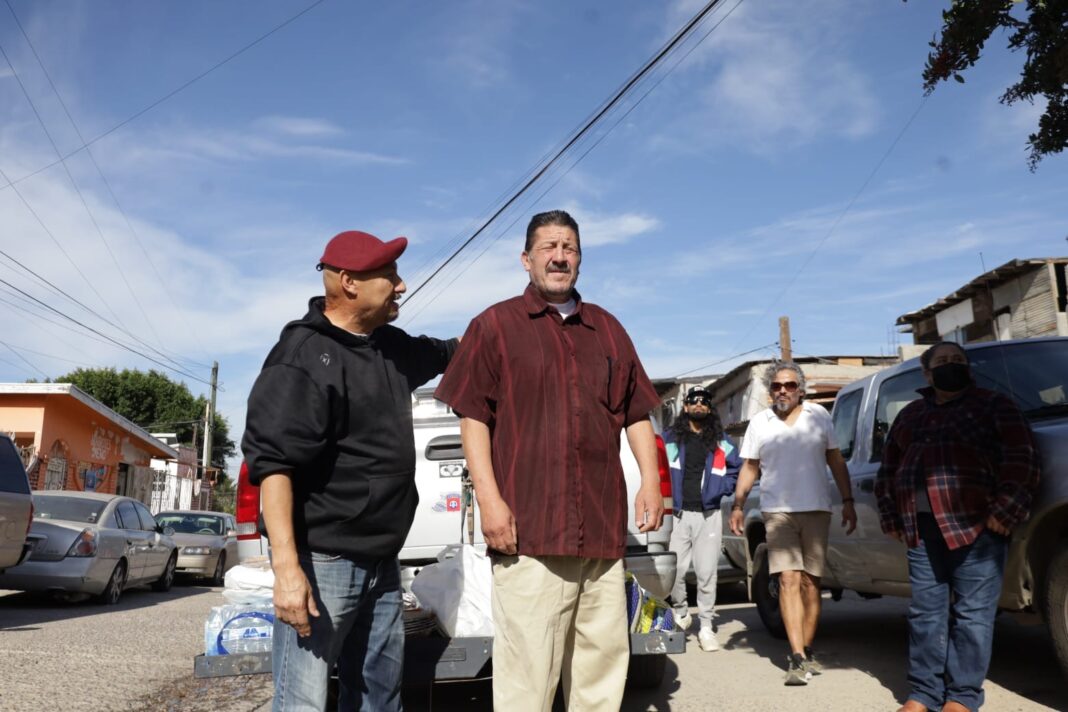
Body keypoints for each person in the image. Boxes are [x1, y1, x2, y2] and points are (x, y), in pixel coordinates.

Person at [434, 209, 664, 712]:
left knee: (601, 675)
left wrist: (651, 482)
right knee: (527, 681)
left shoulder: (608, 330)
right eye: (549, 247)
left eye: (570, 248)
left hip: (601, 537)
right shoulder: (494, 326)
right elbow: (473, 419)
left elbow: (636, 413)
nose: (560, 257)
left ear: (580, 259)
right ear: (526, 259)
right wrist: (491, 504)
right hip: (529, 535)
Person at [242, 230, 459, 711]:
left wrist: (503, 330)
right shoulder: (300, 359)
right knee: (303, 701)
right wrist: (287, 573)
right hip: (324, 566)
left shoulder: (389, 347)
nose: (401, 286)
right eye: (389, 275)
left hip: (382, 563)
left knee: (380, 699)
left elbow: (452, 351)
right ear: (349, 282)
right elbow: (274, 468)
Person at [875, 341, 1039, 712]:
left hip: (976, 527)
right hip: (920, 530)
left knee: (972, 616)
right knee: (925, 614)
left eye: (958, 361)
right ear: (927, 372)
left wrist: (1005, 511)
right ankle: (923, 694)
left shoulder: (994, 404)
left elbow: (1023, 456)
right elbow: (888, 468)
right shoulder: (911, 414)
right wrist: (890, 517)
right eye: (944, 362)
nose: (952, 365)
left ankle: (962, 697)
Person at [729, 360, 856, 685]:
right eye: (776, 386)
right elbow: (750, 466)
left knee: (811, 583)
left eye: (789, 385)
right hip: (777, 511)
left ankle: (808, 648)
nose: (782, 390)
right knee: (787, 579)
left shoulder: (819, 416)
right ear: (770, 390)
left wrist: (849, 501)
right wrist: (738, 504)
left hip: (816, 508)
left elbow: (835, 459)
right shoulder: (761, 422)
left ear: (800, 389)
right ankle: (797, 655)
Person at [664, 385, 741, 652]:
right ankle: (682, 612)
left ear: (709, 408)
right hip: (678, 515)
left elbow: (738, 467)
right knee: (675, 572)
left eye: (704, 401)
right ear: (685, 407)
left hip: (709, 514)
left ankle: (706, 626)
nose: (699, 405)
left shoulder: (721, 442)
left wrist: (723, 488)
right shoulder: (670, 440)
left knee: (707, 573)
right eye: (694, 401)